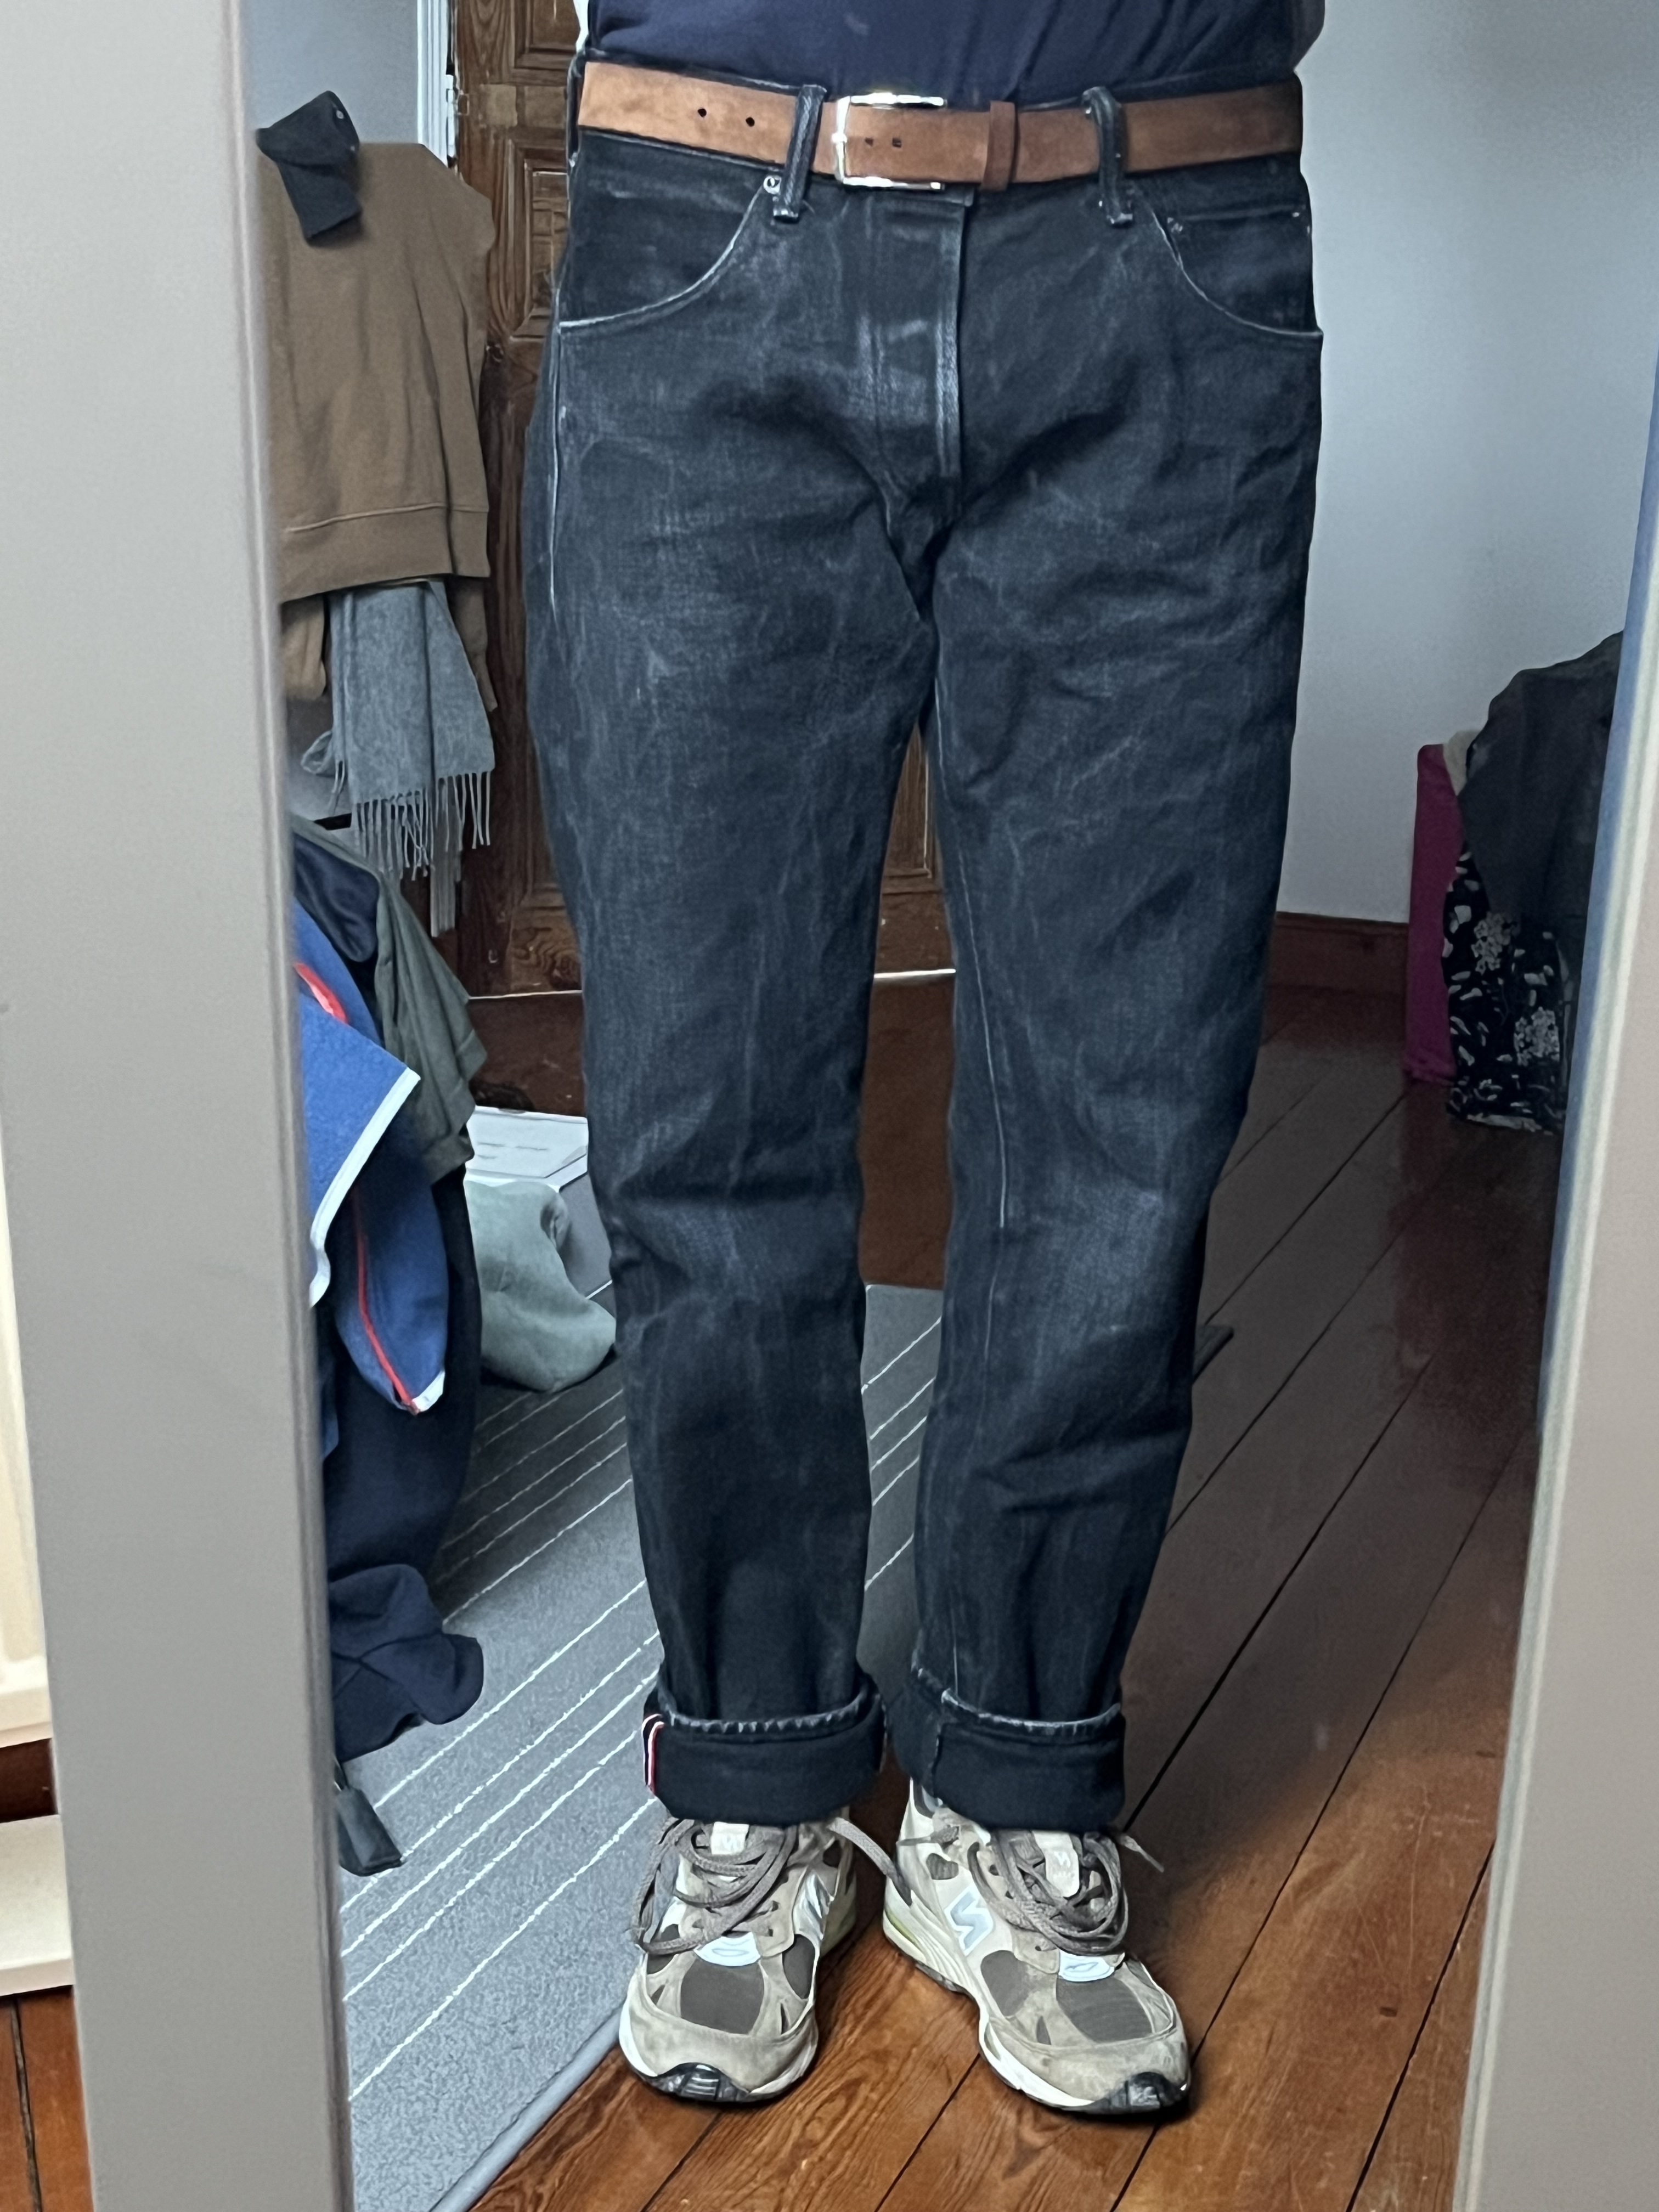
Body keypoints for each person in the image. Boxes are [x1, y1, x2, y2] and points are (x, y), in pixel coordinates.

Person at [524, 0, 1325, 2117]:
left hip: (1169, 236)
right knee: (701, 1110)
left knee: (1125, 1119)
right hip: (704, 217)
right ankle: (754, 1772)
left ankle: (1012, 1783)